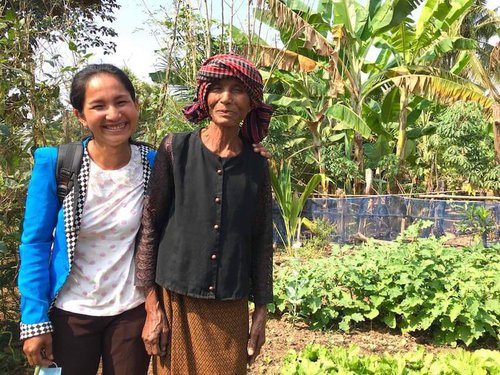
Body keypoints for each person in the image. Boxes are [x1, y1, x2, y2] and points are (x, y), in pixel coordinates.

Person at [18, 62, 271, 375]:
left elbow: (214, 199)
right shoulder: (57, 164)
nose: (113, 114)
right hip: (70, 312)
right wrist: (33, 319)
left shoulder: (154, 161)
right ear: (81, 116)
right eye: (99, 106)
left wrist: (252, 158)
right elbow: (35, 243)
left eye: (121, 102)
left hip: (130, 311)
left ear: (136, 106)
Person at [135, 53, 274, 375]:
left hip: (229, 305)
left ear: (251, 102)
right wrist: (152, 307)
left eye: (238, 90)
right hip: (176, 300)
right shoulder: (175, 149)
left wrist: (261, 311)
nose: (226, 98)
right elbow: (150, 226)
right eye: (217, 88)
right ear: (205, 96)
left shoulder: (256, 165)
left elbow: (261, 239)